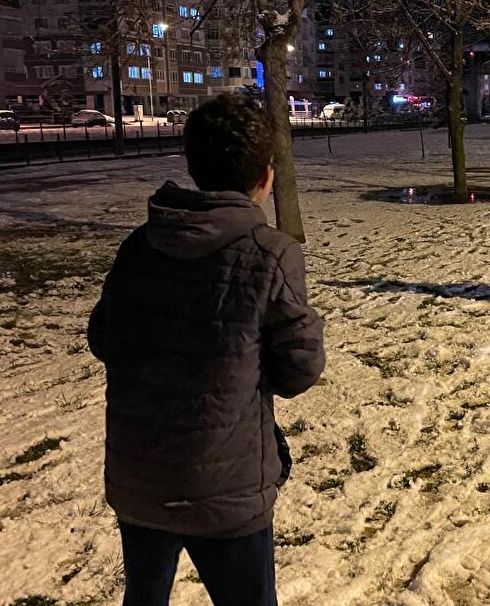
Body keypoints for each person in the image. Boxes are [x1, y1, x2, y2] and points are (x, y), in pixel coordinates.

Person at [88, 94, 326, 606]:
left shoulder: (139, 245)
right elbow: (299, 369)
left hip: (141, 475)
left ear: (193, 167)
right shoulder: (270, 252)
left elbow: (103, 338)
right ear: (265, 177)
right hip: (227, 484)